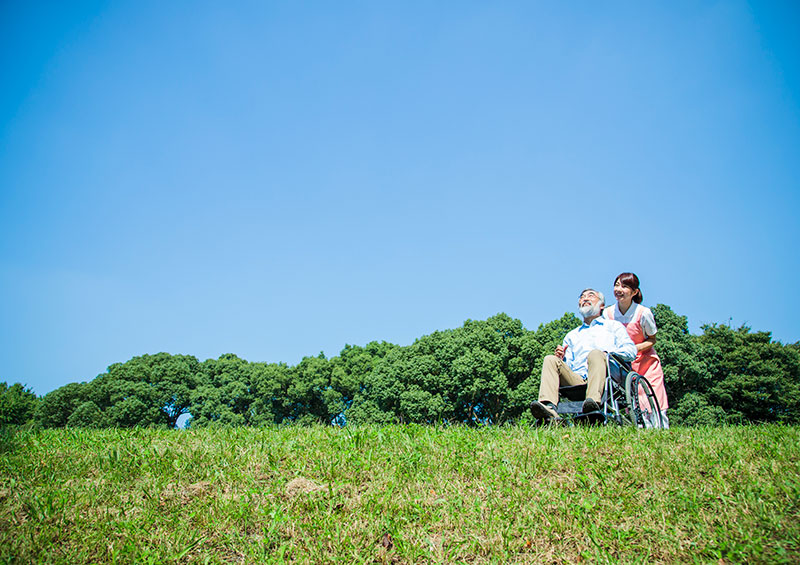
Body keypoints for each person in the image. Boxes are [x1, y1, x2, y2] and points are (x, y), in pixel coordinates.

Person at [530, 288, 637, 422]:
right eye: (582, 297)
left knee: (595, 354)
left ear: (602, 305)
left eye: (591, 296)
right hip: (579, 379)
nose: (585, 298)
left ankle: (593, 403)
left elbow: (631, 351)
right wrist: (562, 359)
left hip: (607, 375)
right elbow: (569, 366)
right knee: (550, 359)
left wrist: (607, 355)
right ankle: (548, 408)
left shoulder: (613, 327)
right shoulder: (572, 335)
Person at [603, 272, 669, 428]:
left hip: (646, 362)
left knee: (653, 398)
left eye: (624, 286)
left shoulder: (643, 313)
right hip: (624, 363)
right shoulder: (608, 313)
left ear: (634, 292)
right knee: (633, 400)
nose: (619, 289)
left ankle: (662, 431)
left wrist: (633, 348)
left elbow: (652, 340)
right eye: (617, 285)